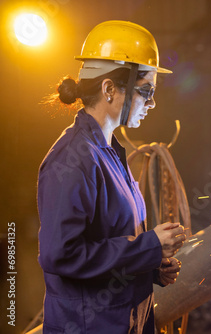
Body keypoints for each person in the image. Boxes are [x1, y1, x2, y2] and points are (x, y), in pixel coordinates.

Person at [37, 20, 186, 333]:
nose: (153, 103)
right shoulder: (72, 160)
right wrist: (149, 247)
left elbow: (111, 242)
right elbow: (63, 256)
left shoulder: (109, 153)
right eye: (146, 91)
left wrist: (153, 266)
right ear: (109, 89)